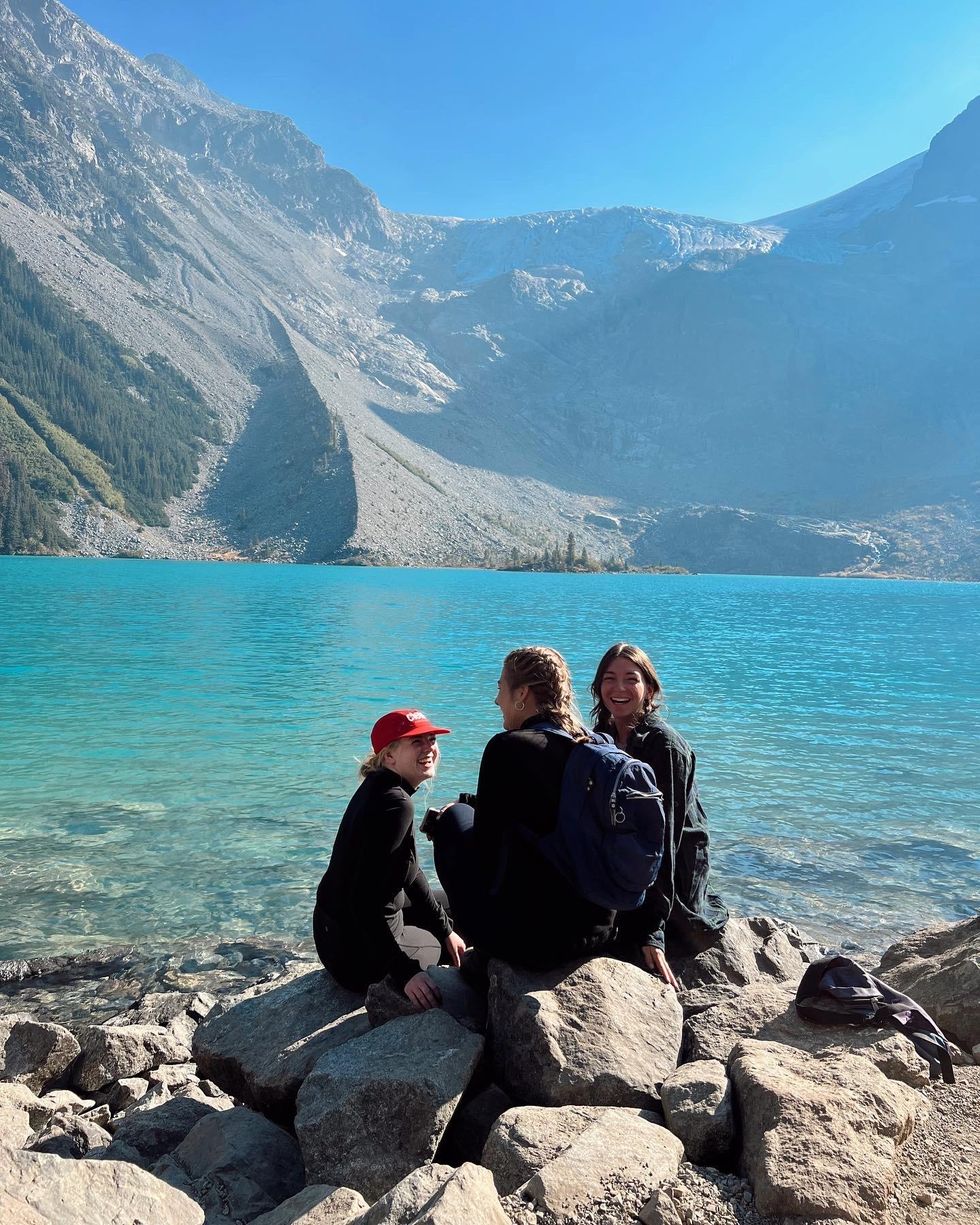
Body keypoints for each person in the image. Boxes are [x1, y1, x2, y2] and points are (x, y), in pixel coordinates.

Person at [430, 646, 618, 969]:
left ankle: (474, 947)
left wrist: (454, 817)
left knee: (451, 820)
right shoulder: (592, 745)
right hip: (598, 930)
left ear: (522, 694)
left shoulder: (506, 747)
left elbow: (485, 853)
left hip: (533, 942)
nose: (496, 700)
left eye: (500, 687)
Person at [591, 643, 728, 989]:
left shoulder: (663, 745)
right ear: (598, 686)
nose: (619, 688)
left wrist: (653, 931)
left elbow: (666, 839)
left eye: (631, 679)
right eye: (610, 678)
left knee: (621, 941)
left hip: (673, 866)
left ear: (649, 689)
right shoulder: (604, 735)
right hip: (627, 856)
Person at [313, 708, 467, 1008]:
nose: (428, 748)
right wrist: (405, 972)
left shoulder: (380, 788)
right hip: (353, 956)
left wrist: (445, 929)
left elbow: (411, 871)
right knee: (454, 947)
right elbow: (362, 901)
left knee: (459, 908)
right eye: (416, 741)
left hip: (332, 934)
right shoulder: (396, 804)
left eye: (431, 739)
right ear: (389, 757)